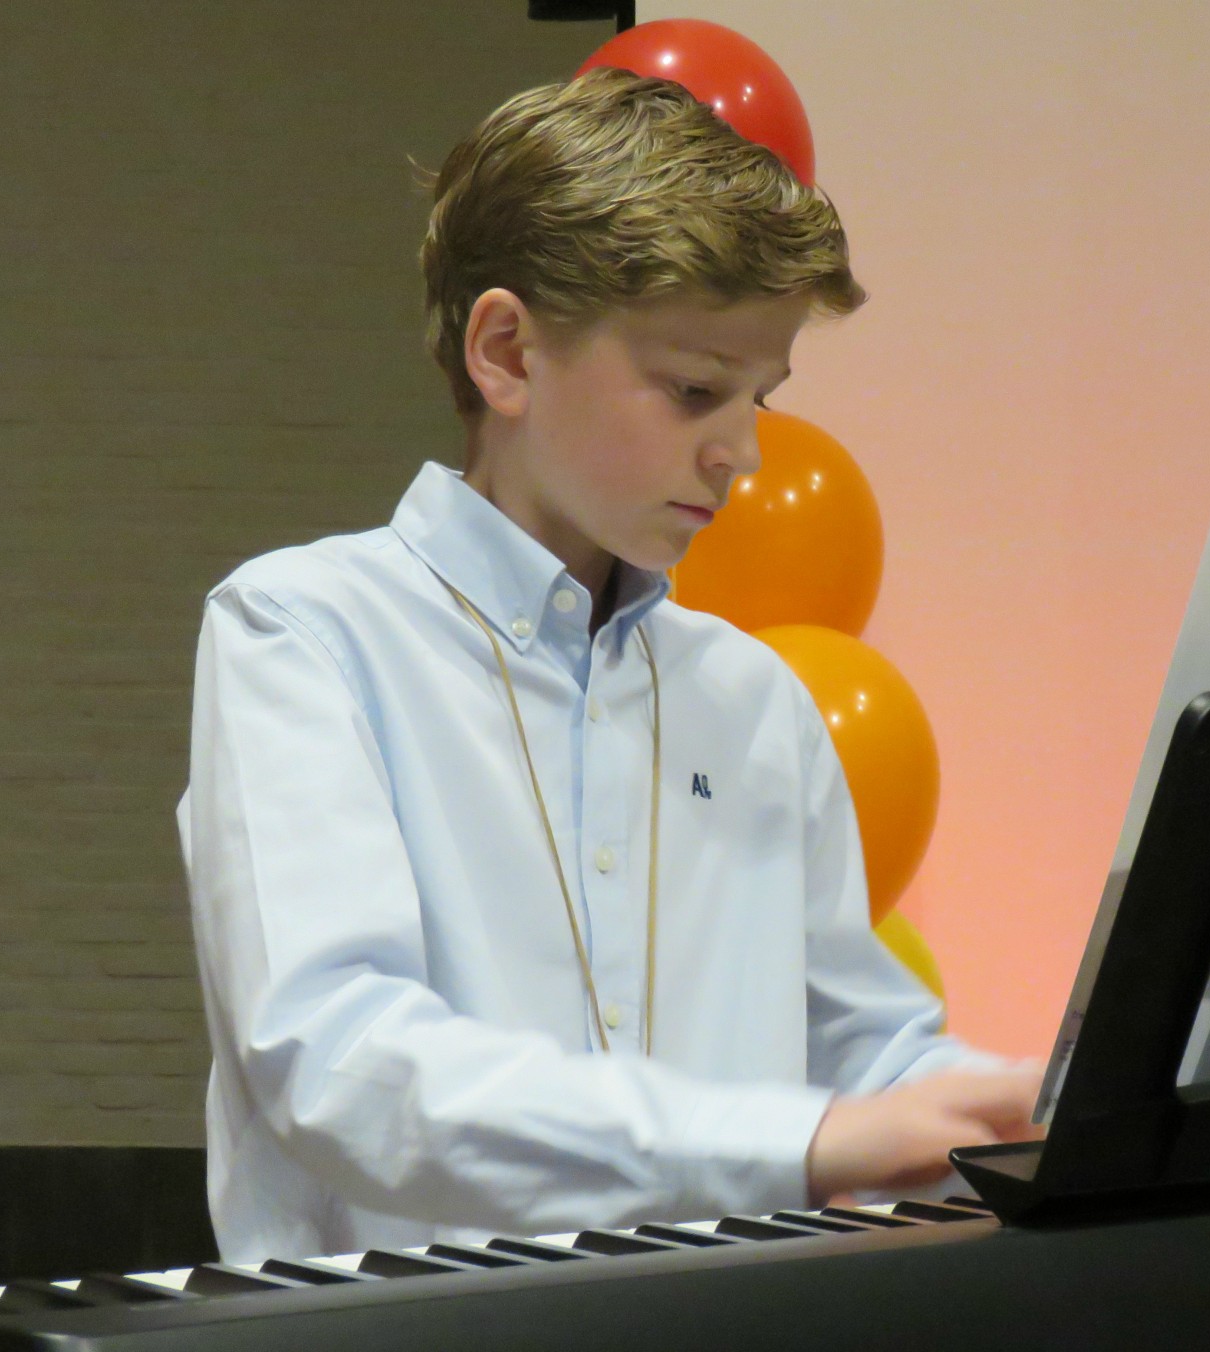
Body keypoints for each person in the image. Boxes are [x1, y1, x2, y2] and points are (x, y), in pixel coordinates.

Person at [178, 67, 1040, 1263]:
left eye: (758, 394)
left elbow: (868, 1059)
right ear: (506, 353)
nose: (741, 452)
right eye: (694, 388)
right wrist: (787, 1141)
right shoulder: (306, 632)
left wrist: (1036, 1104)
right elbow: (339, 1064)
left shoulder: (753, 702)